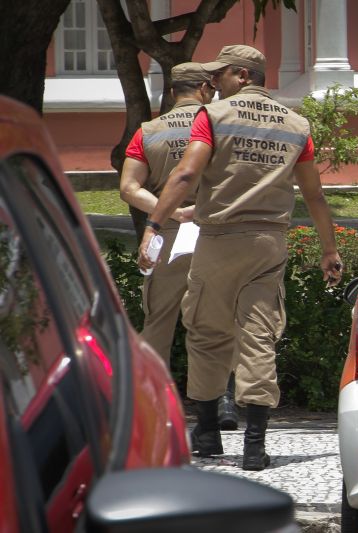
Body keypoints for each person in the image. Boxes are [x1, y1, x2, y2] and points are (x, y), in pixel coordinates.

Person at [137, 45, 343, 471]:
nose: (214, 84)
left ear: (242, 75)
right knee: (259, 336)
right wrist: (329, 249)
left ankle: (209, 433)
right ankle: (254, 446)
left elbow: (187, 174)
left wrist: (155, 225)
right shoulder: (296, 123)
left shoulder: (212, 117)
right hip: (269, 243)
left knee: (207, 333)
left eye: (221, 75)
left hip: (218, 240)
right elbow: (315, 194)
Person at [120, 62, 240, 431]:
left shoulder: (148, 132)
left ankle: (151, 401)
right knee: (222, 317)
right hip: (216, 232)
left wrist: (171, 212)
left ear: (173, 92)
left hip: (167, 233)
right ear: (206, 89)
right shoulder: (222, 125)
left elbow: (128, 188)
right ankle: (224, 402)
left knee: (159, 320)